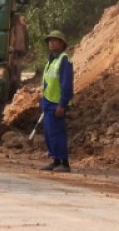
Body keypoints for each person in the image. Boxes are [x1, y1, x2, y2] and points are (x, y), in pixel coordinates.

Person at [39, 30, 74, 172]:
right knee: (49, 133)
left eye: (55, 41)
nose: (51, 43)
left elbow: (66, 84)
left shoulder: (64, 59)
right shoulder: (51, 60)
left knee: (58, 133)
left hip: (56, 103)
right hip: (48, 102)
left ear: (61, 43)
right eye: (50, 41)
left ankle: (64, 163)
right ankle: (55, 160)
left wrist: (62, 104)